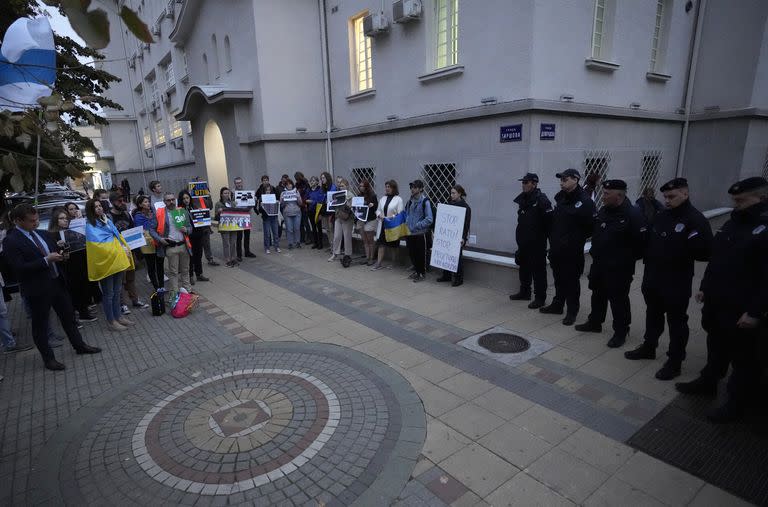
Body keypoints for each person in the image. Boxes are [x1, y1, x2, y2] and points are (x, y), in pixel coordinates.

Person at [675, 177, 768, 423]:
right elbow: (718, 260)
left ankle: (736, 403)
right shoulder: (733, 223)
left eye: (741, 200)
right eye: (734, 201)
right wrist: (705, 287)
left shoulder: (764, 228)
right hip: (718, 301)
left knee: (743, 357)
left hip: (742, 306)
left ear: (760, 198)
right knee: (716, 344)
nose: (736, 205)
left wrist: (756, 312)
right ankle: (708, 381)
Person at [625, 178, 713, 380]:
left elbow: (706, 252)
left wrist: (681, 248)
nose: (667, 200)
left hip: (676, 281)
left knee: (676, 322)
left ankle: (675, 361)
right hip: (653, 277)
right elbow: (649, 241)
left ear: (685, 194)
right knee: (653, 314)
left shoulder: (695, 219)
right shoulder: (662, 215)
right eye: (665, 196)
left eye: (671, 196)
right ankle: (649, 346)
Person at [3, 204, 101, 370]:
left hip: (57, 283)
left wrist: (62, 256)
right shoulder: (11, 241)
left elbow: (56, 252)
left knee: (68, 317)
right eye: (31, 221)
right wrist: (46, 260)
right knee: (40, 325)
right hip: (37, 289)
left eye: (37, 219)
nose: (35, 223)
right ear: (19, 221)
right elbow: (18, 268)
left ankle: (79, 346)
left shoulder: (42, 234)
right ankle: (48, 359)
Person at [574, 180, 646, 348]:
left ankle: (621, 331)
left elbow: (642, 245)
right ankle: (595, 322)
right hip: (599, 263)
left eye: (607, 194)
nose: (603, 196)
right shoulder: (604, 211)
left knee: (618, 300)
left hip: (619, 268)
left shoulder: (633, 214)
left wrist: (622, 259)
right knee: (597, 294)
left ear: (619, 195)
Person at [540, 168, 596, 325]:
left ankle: (572, 311)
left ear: (575, 180)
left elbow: (590, 227)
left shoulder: (585, 202)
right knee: (559, 279)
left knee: (571, 282)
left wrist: (573, 239)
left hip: (572, 250)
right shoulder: (561, 198)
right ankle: (557, 305)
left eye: (565, 180)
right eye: (561, 180)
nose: (561, 183)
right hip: (557, 248)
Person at [85, 198, 134, 332]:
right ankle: (111, 321)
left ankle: (119, 316)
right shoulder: (90, 225)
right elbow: (99, 247)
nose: (99, 208)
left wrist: (123, 248)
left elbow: (116, 237)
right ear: (91, 210)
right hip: (106, 263)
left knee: (117, 291)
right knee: (109, 293)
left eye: (100, 205)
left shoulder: (106, 219)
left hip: (117, 260)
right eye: (95, 207)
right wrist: (119, 249)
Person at [509, 173, 553, 308]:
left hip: (537, 243)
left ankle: (540, 298)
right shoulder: (523, 199)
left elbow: (550, 223)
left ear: (534, 184)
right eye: (523, 182)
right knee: (524, 268)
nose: (523, 184)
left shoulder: (542, 200)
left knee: (538, 271)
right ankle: (525, 292)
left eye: (526, 182)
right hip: (523, 242)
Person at [47, 209, 98, 322]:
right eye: (61, 218)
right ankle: (74, 316)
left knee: (81, 289)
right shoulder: (51, 235)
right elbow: (51, 252)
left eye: (66, 218)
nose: (65, 221)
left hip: (78, 264)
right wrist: (58, 246)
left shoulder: (72, 230)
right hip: (65, 268)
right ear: (55, 220)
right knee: (71, 292)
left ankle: (83, 312)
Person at [109, 192, 149, 314]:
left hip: (130, 251)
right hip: (117, 252)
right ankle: (122, 304)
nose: (122, 203)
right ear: (112, 202)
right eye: (119, 201)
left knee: (131, 278)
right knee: (120, 280)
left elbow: (132, 230)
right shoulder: (108, 217)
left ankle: (135, 300)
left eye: (123, 200)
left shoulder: (126, 214)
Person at [151, 192, 192, 294]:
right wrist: (160, 239)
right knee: (173, 272)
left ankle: (188, 292)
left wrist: (186, 230)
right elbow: (151, 230)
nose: (171, 202)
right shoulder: (159, 213)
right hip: (171, 247)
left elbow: (190, 228)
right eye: (168, 200)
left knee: (185, 270)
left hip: (183, 245)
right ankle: (175, 294)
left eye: (173, 199)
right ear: (164, 202)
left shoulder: (182, 211)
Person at [436, 185, 471, 287]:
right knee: (446, 255)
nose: (451, 195)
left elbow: (466, 225)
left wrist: (463, 238)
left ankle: (459, 279)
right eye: (451, 193)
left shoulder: (466, 207)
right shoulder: (449, 204)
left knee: (457, 258)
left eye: (454, 193)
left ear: (460, 194)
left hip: (458, 237)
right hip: (448, 236)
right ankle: (446, 275)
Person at [132, 195, 165, 291]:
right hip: (147, 244)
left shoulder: (153, 213)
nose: (148, 204)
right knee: (151, 266)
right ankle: (156, 287)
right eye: (145, 202)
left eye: (148, 202)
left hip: (157, 242)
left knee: (160, 265)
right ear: (140, 204)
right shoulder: (138, 216)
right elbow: (140, 230)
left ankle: (162, 286)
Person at [404, 180, 434, 282]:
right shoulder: (410, 202)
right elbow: (406, 214)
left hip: (421, 233)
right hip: (410, 233)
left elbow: (429, 219)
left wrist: (417, 225)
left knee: (421, 254)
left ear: (420, 189)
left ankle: (422, 273)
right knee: (412, 254)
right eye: (411, 187)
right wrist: (407, 223)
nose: (412, 189)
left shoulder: (425, 201)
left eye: (415, 187)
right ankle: (417, 271)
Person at [372, 180, 404, 271]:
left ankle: (393, 263)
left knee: (393, 245)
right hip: (382, 224)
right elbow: (378, 210)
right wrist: (379, 215)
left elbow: (400, 213)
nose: (387, 188)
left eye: (389, 187)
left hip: (392, 225)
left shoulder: (398, 199)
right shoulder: (383, 198)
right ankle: (379, 263)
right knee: (381, 244)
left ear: (394, 188)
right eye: (386, 186)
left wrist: (391, 217)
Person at [179, 190, 210, 283]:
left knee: (199, 254)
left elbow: (201, 219)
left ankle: (199, 274)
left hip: (198, 234)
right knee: (190, 257)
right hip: (188, 236)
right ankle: (190, 276)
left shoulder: (194, 207)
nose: (186, 200)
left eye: (187, 198)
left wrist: (201, 213)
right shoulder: (180, 210)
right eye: (184, 198)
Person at [329, 178, 354, 263]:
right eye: (340, 186)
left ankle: (348, 255)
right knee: (336, 236)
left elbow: (352, 207)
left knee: (347, 237)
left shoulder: (350, 195)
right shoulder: (337, 194)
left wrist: (348, 204)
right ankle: (335, 253)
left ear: (347, 186)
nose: (341, 188)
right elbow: (334, 205)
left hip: (347, 218)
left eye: (343, 186)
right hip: (339, 217)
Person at [214, 187, 238, 266]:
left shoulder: (233, 203)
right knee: (226, 243)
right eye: (225, 193)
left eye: (228, 193)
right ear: (221, 194)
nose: (227, 194)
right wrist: (218, 212)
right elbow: (216, 217)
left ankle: (233, 258)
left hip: (233, 226)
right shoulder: (218, 204)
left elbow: (237, 214)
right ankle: (227, 258)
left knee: (233, 242)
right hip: (224, 226)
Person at [233, 176, 256, 260]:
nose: (239, 184)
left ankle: (247, 252)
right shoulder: (232, 193)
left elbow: (251, 204)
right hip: (238, 217)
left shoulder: (247, 192)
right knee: (239, 236)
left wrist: (253, 201)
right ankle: (239, 254)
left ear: (242, 183)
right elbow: (231, 204)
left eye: (240, 182)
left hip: (246, 216)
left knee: (247, 235)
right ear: (235, 184)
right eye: (237, 183)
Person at [255, 177, 280, 254]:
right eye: (264, 180)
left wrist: (277, 201)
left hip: (274, 215)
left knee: (275, 232)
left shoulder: (274, 189)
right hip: (266, 216)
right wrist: (258, 208)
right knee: (267, 233)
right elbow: (256, 200)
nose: (268, 191)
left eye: (266, 180)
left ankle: (277, 247)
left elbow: (278, 199)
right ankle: (267, 248)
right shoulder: (260, 191)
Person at [357, 180, 378, 265]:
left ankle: (371, 258)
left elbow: (376, 206)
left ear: (366, 187)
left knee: (370, 240)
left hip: (370, 219)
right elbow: (357, 208)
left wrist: (371, 205)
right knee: (365, 241)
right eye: (360, 186)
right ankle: (367, 257)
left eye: (362, 186)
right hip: (361, 219)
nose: (361, 187)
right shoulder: (358, 196)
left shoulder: (372, 195)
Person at [280, 179, 304, 249]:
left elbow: (300, 203)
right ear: (285, 186)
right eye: (287, 184)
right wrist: (282, 200)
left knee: (297, 228)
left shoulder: (296, 191)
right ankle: (290, 243)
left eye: (290, 184)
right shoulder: (283, 193)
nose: (289, 185)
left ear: (292, 184)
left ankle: (297, 242)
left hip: (297, 212)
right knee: (289, 229)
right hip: (287, 213)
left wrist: (298, 197)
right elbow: (282, 205)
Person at [307, 176, 326, 249]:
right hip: (310, 210)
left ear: (317, 182)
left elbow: (320, 200)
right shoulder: (309, 190)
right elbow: (306, 198)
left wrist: (313, 202)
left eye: (314, 180)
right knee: (313, 227)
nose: (312, 182)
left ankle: (320, 243)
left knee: (319, 227)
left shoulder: (320, 190)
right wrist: (306, 201)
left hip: (317, 210)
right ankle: (315, 243)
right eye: (311, 181)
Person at [319, 172, 337, 249]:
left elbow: (333, 198)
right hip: (324, 211)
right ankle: (331, 245)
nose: (322, 179)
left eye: (323, 178)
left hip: (331, 211)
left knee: (331, 228)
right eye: (321, 178)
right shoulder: (322, 188)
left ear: (327, 178)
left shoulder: (333, 187)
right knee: (327, 229)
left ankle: (335, 247)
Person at [294, 171, 311, 244]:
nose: (297, 180)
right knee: (300, 223)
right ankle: (302, 238)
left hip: (304, 205)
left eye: (297, 178)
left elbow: (307, 194)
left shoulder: (305, 184)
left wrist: (303, 203)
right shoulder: (297, 184)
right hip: (299, 204)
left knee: (305, 222)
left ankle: (309, 238)